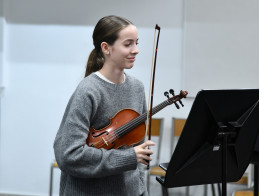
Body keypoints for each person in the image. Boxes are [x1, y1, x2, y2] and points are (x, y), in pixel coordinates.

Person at [54, 15, 155, 196]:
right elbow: (69, 156)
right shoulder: (88, 91)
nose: (136, 50)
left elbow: (138, 149)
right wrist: (128, 158)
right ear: (106, 48)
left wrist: (140, 187)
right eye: (128, 44)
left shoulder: (137, 88)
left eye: (137, 43)